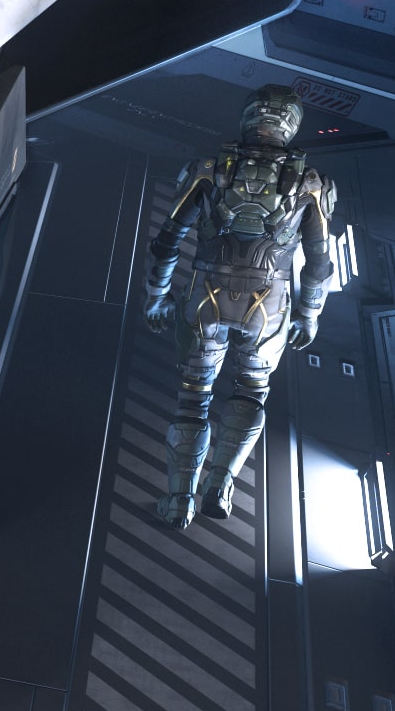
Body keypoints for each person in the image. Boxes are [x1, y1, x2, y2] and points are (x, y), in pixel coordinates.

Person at [139, 84, 338, 529]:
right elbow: (319, 263)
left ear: (249, 117)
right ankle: (221, 483)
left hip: (206, 297)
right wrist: (309, 314)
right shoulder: (311, 184)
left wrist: (156, 295)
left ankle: (179, 500)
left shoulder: (208, 170)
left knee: (193, 396)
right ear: (291, 125)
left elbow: (168, 241)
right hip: (269, 306)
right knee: (251, 391)